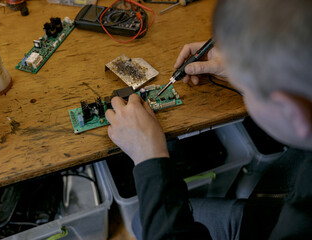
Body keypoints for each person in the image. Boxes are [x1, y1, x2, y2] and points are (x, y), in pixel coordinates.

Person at [105, 0, 312, 239]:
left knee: (144, 221)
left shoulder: (298, 226)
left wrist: (149, 156)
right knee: (143, 221)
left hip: (268, 224)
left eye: (247, 87)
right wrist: (247, 73)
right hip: (268, 214)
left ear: (289, 109)